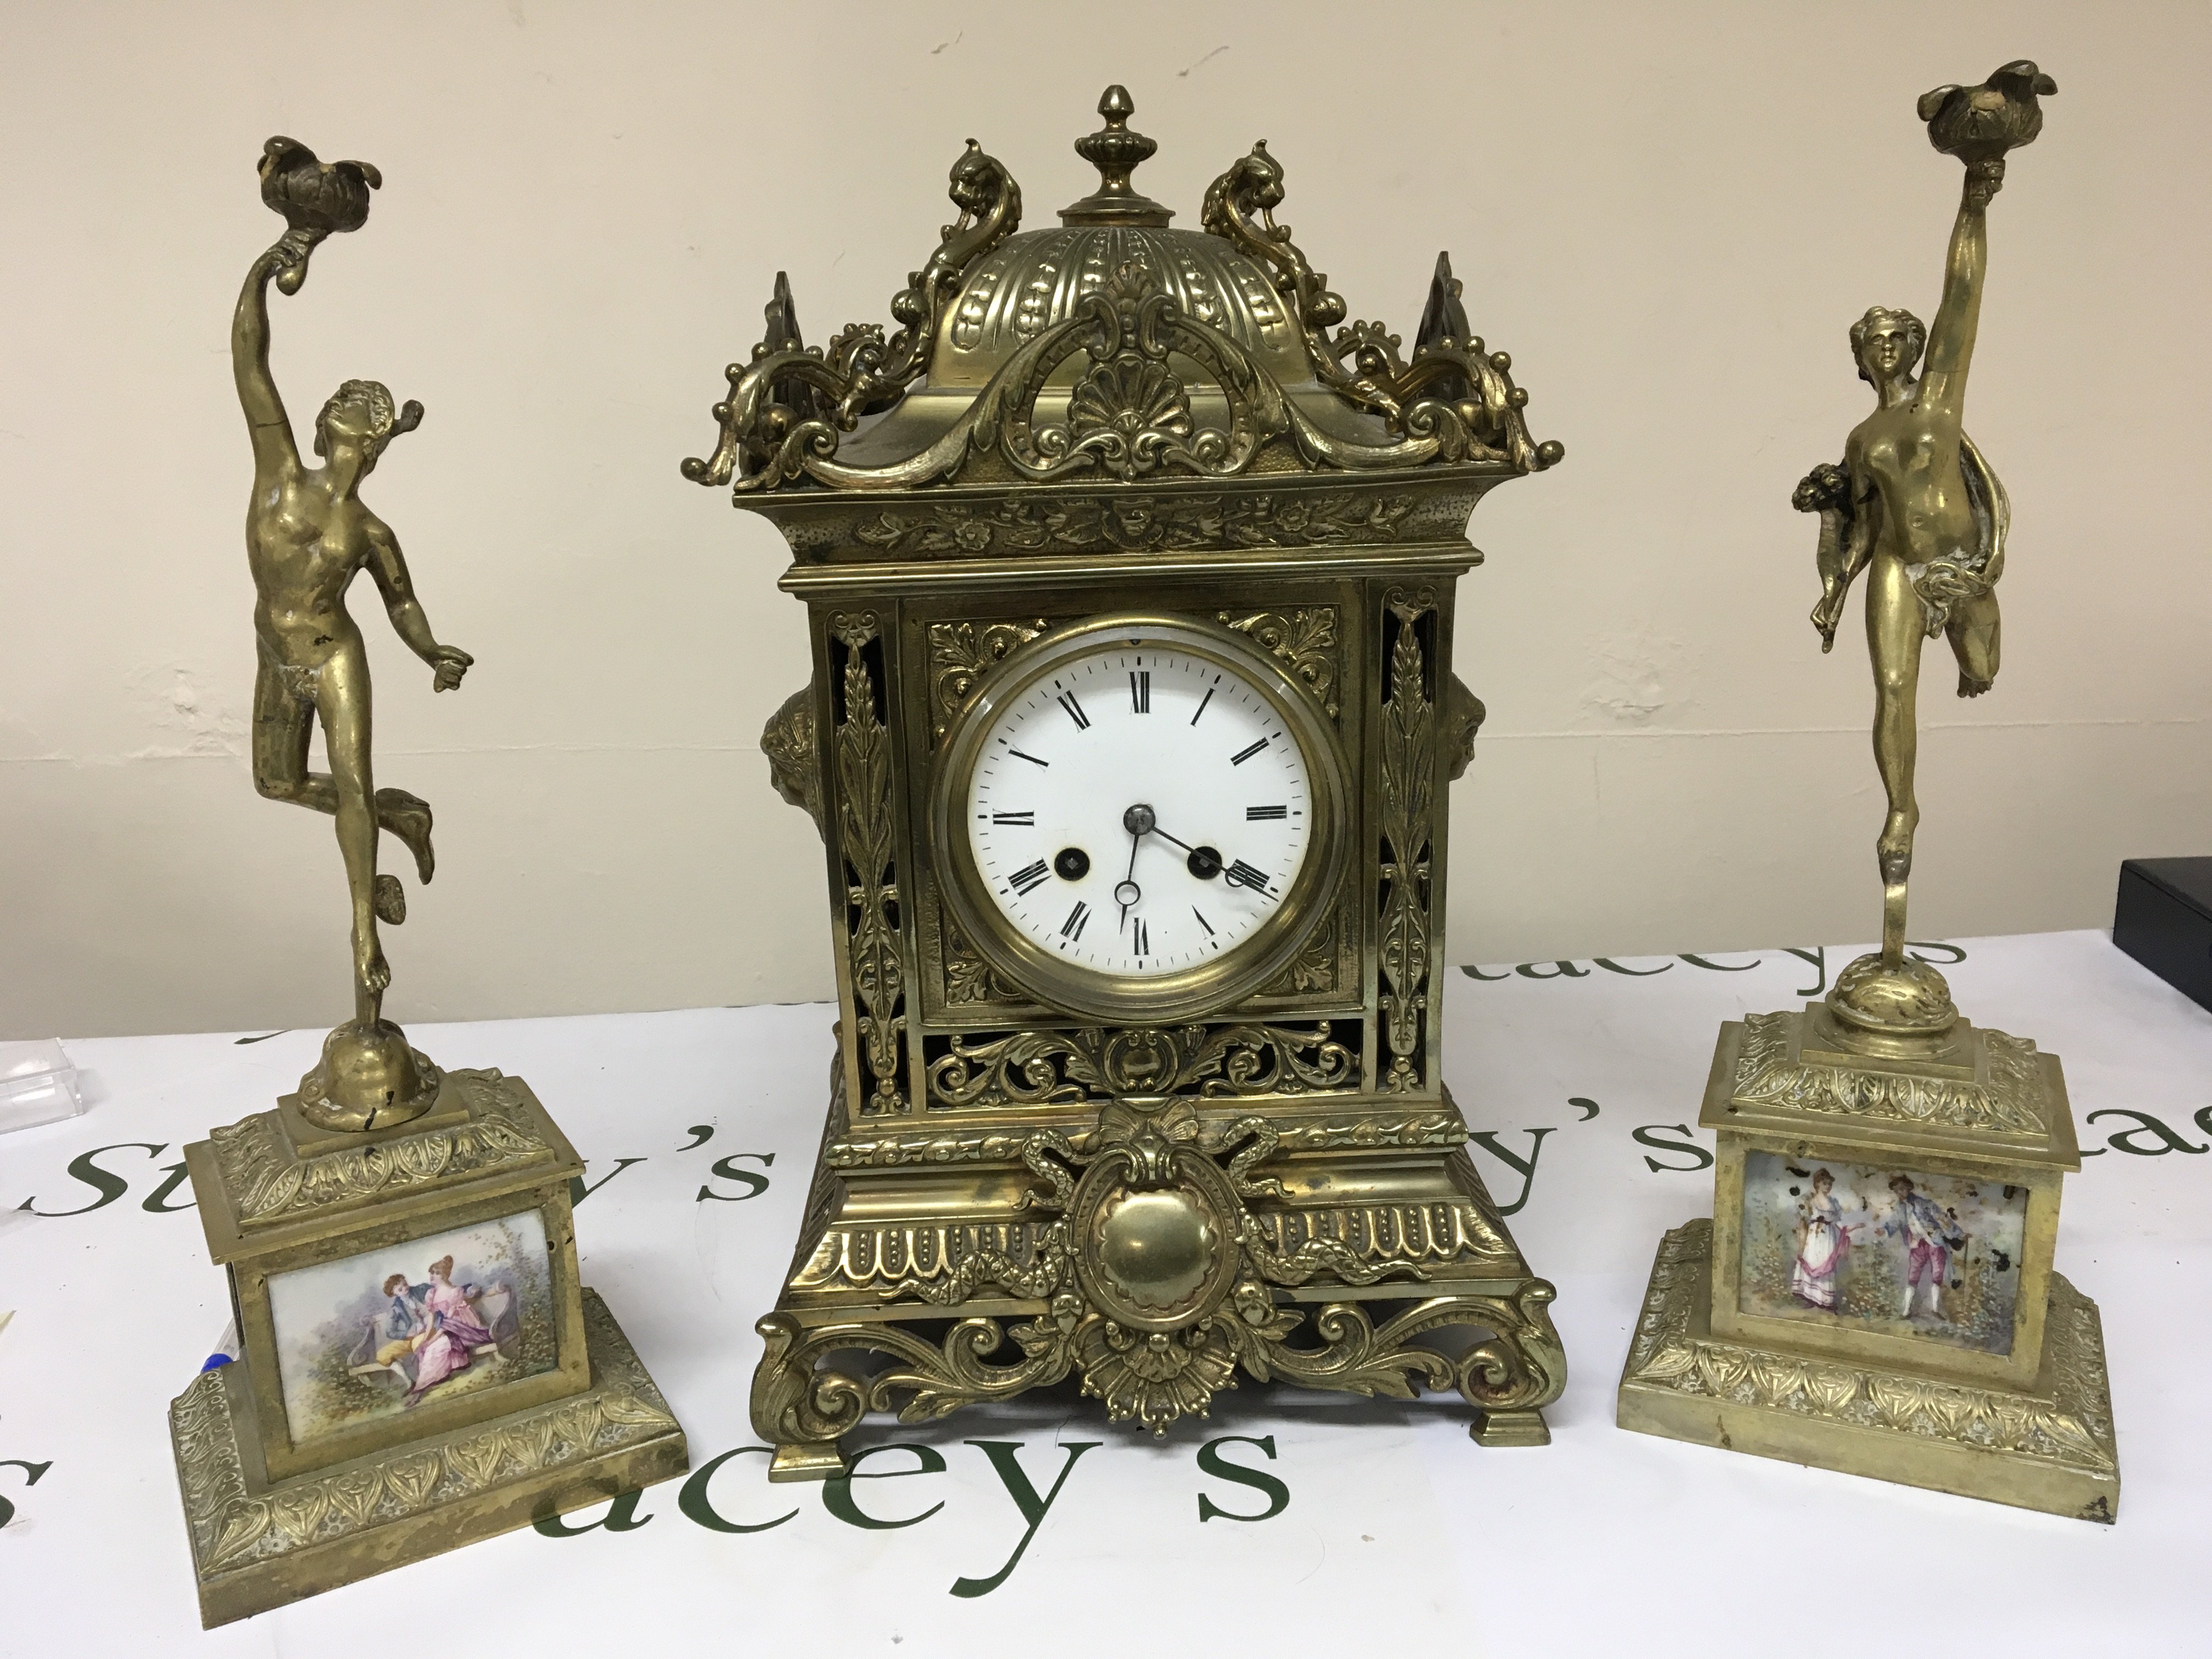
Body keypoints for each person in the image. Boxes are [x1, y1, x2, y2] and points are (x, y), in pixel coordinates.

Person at [231, 227, 473, 1021]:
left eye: (354, 414)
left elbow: (399, 600)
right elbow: (249, 363)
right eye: (338, 406)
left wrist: (432, 648)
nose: (340, 419)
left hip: (335, 658)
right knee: (278, 783)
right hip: (278, 653)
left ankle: (364, 937)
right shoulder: (278, 474)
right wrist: (267, 270)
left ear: (369, 442)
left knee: (352, 786)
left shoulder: (367, 532)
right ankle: (398, 815)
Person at [1799, 156, 2010, 932]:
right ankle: (1900, 813)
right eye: (1873, 340)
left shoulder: (1940, 398)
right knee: (1892, 689)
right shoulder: (1861, 438)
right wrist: (1831, 591)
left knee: (1983, 669)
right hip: (1896, 568)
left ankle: (1972, 649)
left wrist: (1975, 197)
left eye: (1897, 336)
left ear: (1917, 348)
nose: (1886, 345)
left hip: (1958, 567)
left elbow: (1964, 294)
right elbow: (1859, 526)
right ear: (1860, 358)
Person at [403, 1255, 496, 1405]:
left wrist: (433, 1340)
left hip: (463, 1327)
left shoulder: (455, 1292)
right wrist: (427, 1339)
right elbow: (432, 1320)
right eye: (431, 1272)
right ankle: (422, 1387)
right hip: (448, 1328)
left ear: (445, 1275)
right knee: (428, 1347)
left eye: (436, 1273)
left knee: (436, 1348)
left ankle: (419, 1391)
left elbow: (451, 1321)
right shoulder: (431, 1294)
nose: (432, 1276)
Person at [1883, 1175, 1967, 1320]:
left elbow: (1942, 1218)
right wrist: (1884, 1231)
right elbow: (1893, 1223)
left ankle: (1935, 1309)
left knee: (1937, 1274)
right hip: (1917, 1243)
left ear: (1909, 1188)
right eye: (1896, 1191)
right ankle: (1906, 1311)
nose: (1900, 1193)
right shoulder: (1900, 1209)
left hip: (1935, 1241)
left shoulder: (1924, 1203)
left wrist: (1958, 1233)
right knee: (1913, 1275)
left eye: (1902, 1189)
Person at [1790, 1169, 1854, 1310]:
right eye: (1825, 1183)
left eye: (1830, 1184)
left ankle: (1825, 1300)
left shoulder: (1834, 1202)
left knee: (1826, 1264)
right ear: (1817, 1184)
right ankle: (1810, 1297)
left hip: (1828, 1237)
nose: (1828, 1186)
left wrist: (1851, 1228)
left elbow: (1838, 1223)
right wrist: (1802, 1242)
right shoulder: (1810, 1201)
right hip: (1813, 1236)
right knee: (1812, 1261)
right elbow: (1803, 1223)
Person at [372, 1272, 428, 1367]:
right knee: (382, 1355)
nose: (405, 1288)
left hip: (428, 1331)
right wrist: (406, 1334)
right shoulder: (396, 1308)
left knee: (419, 1344)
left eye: (405, 1285)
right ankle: (409, 1381)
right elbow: (390, 1331)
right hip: (410, 1338)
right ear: (395, 1293)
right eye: (400, 1289)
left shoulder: (421, 1290)